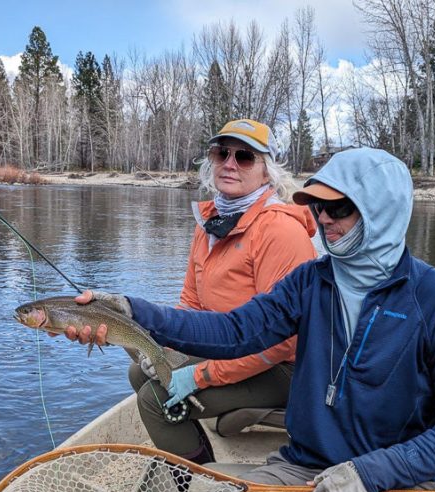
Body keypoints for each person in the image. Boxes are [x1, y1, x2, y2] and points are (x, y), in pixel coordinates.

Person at [65, 148, 435, 492]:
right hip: (300, 468)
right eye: (318, 206)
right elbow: (234, 332)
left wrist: (372, 471)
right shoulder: (311, 282)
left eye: (338, 207)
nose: (323, 219)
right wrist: (132, 311)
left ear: (383, 211)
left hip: (398, 480)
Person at [124, 118, 317, 465]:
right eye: (221, 152)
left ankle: (203, 483)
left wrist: (199, 375)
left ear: (267, 172)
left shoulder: (281, 231)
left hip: (286, 367)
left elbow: (281, 342)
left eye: (245, 157)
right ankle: (192, 441)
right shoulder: (211, 223)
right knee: (140, 371)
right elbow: (191, 304)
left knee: (153, 399)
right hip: (230, 349)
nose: (229, 163)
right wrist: (162, 350)